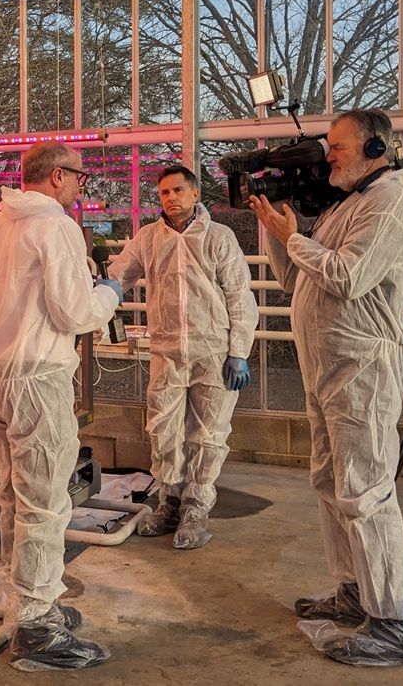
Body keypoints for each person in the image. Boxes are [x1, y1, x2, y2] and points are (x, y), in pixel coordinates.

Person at [249, 108, 403, 666]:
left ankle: (393, 618)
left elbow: (348, 277)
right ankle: (354, 592)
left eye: (338, 147)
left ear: (376, 149)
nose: (329, 156)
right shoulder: (348, 204)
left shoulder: (389, 204)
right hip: (328, 367)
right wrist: (277, 231)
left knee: (366, 492)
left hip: (363, 367)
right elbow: (296, 276)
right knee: (331, 482)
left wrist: (296, 238)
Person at [0, 140, 122, 671]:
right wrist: (111, 293)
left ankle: (29, 602)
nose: (80, 186)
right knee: (45, 500)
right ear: (56, 177)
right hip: (36, 379)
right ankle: (36, 625)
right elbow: (75, 311)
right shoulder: (56, 227)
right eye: (78, 176)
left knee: (14, 494)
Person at [108, 164, 256, 549]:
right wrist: (98, 293)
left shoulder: (218, 238)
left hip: (213, 351)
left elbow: (240, 296)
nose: (170, 198)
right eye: (163, 193)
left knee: (209, 434)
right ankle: (168, 501)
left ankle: (197, 507)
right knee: (164, 429)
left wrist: (239, 352)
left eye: (177, 191)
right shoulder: (148, 238)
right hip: (167, 350)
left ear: (195, 194)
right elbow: (120, 275)